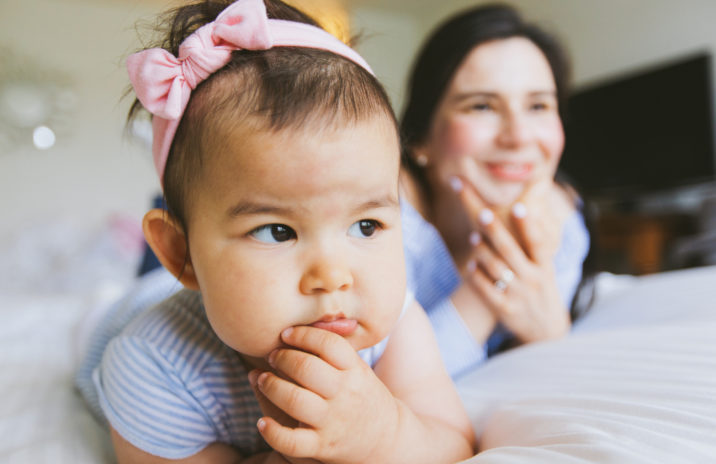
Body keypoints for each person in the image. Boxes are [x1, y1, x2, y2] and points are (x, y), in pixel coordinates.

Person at [75, 0, 474, 462]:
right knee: (106, 308)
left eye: (366, 225)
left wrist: (385, 435)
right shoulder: (152, 363)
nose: (333, 275)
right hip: (122, 318)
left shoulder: (394, 323)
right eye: (277, 232)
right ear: (180, 252)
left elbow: (452, 442)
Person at [399, 4, 591, 378]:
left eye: (538, 105)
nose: (518, 136)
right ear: (421, 139)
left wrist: (550, 332)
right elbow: (390, 392)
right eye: (482, 106)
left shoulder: (562, 221)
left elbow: (535, 368)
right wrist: (492, 282)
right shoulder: (378, 225)